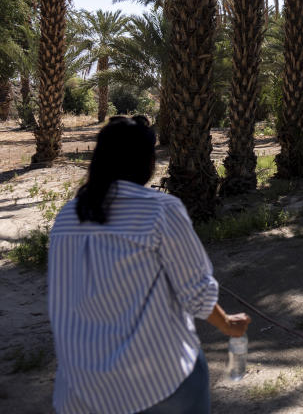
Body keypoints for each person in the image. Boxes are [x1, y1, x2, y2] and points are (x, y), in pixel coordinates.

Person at [48, 116, 250, 414]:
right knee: (192, 365)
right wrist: (228, 325)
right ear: (148, 161)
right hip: (154, 385)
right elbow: (196, 294)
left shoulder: (67, 216)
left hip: (79, 390)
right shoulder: (160, 210)